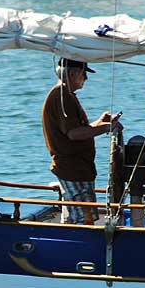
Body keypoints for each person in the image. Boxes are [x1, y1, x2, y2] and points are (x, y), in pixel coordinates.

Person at [42, 58, 122, 224]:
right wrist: (106, 128)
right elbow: (74, 134)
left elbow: (76, 129)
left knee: (75, 217)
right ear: (72, 73)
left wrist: (99, 123)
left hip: (78, 169)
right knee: (81, 219)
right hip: (72, 170)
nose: (85, 78)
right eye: (83, 74)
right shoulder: (62, 97)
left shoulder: (65, 95)